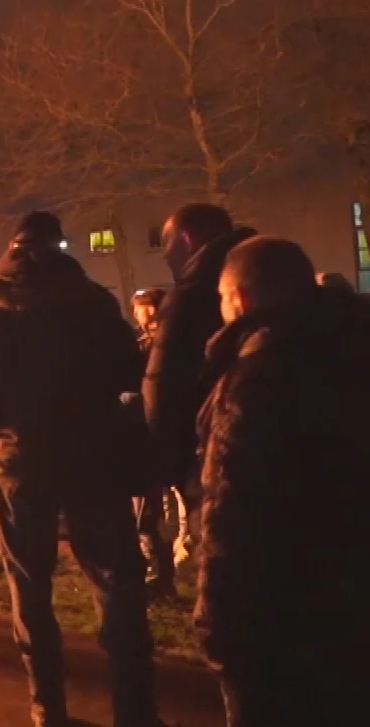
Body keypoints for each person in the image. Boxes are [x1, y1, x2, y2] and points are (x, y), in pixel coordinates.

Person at [0, 212, 160, 727]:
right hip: (91, 457)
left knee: (29, 584)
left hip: (18, 461)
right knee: (116, 581)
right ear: (58, 243)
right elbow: (124, 368)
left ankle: (47, 705)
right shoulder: (88, 298)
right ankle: (134, 709)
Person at [197, 237, 370, 724]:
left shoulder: (258, 374)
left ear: (241, 299)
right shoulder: (355, 344)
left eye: (221, 297)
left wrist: (217, 622)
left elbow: (233, 508)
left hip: (280, 611)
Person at [144, 204, 254, 569]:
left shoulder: (188, 297)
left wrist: (161, 463)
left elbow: (163, 385)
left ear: (187, 240)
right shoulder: (275, 272)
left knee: (227, 567)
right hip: (301, 461)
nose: (165, 256)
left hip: (212, 454)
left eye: (167, 244)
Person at [129, 288, 175, 597]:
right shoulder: (144, 342)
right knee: (149, 513)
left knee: (151, 513)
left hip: (156, 436)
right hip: (146, 435)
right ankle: (159, 572)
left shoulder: (162, 345)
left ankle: (159, 574)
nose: (138, 313)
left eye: (143, 307)